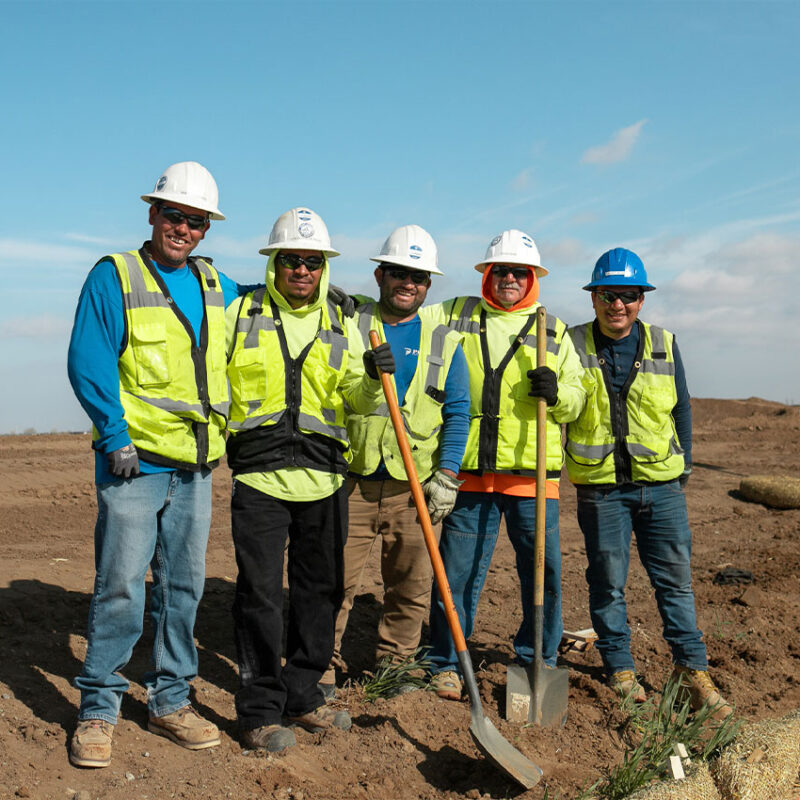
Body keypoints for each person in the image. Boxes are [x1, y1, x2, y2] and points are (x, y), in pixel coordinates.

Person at [67, 161, 248, 768]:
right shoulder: (114, 276)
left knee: (183, 587)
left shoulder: (216, 284)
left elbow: (264, 307)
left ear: (204, 230)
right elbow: (88, 359)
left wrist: (324, 293)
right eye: (175, 216)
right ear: (153, 214)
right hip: (134, 463)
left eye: (196, 222)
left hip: (196, 466)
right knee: (119, 585)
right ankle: (98, 708)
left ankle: (170, 700)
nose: (184, 229)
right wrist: (114, 436)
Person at [225, 207, 395, 753]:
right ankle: (258, 709)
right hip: (260, 479)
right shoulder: (239, 312)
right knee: (258, 595)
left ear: (324, 268)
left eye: (313, 262)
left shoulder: (344, 322)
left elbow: (359, 402)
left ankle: (303, 694)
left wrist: (371, 378)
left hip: (324, 479)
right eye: (292, 260)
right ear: (274, 263)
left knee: (318, 594)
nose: (302, 270)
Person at [565, 247, 733, 719]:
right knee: (608, 583)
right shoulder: (570, 343)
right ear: (593, 298)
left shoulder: (663, 341)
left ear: (642, 300)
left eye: (628, 295)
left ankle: (690, 669)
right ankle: (619, 667)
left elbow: (681, 406)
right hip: (601, 490)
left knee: (676, 583)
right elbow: (561, 408)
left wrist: (685, 466)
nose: (618, 304)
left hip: (661, 487)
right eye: (608, 294)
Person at [424, 229, 585, 700]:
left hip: (532, 479)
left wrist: (557, 393)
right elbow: (405, 308)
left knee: (544, 575)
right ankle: (446, 662)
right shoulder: (456, 316)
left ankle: (539, 659)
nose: (510, 278)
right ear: (487, 275)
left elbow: (577, 399)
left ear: (533, 278)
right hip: (470, 474)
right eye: (501, 271)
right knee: (456, 574)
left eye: (520, 272)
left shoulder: (552, 332)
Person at [321, 225, 470, 697]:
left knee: (411, 588)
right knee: (333, 584)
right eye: (400, 273)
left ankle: (394, 670)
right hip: (353, 483)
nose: (410, 283)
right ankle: (320, 666)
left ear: (429, 285)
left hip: (414, 488)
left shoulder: (444, 341)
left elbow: (458, 411)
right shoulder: (350, 322)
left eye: (420, 277)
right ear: (380, 274)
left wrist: (447, 473)